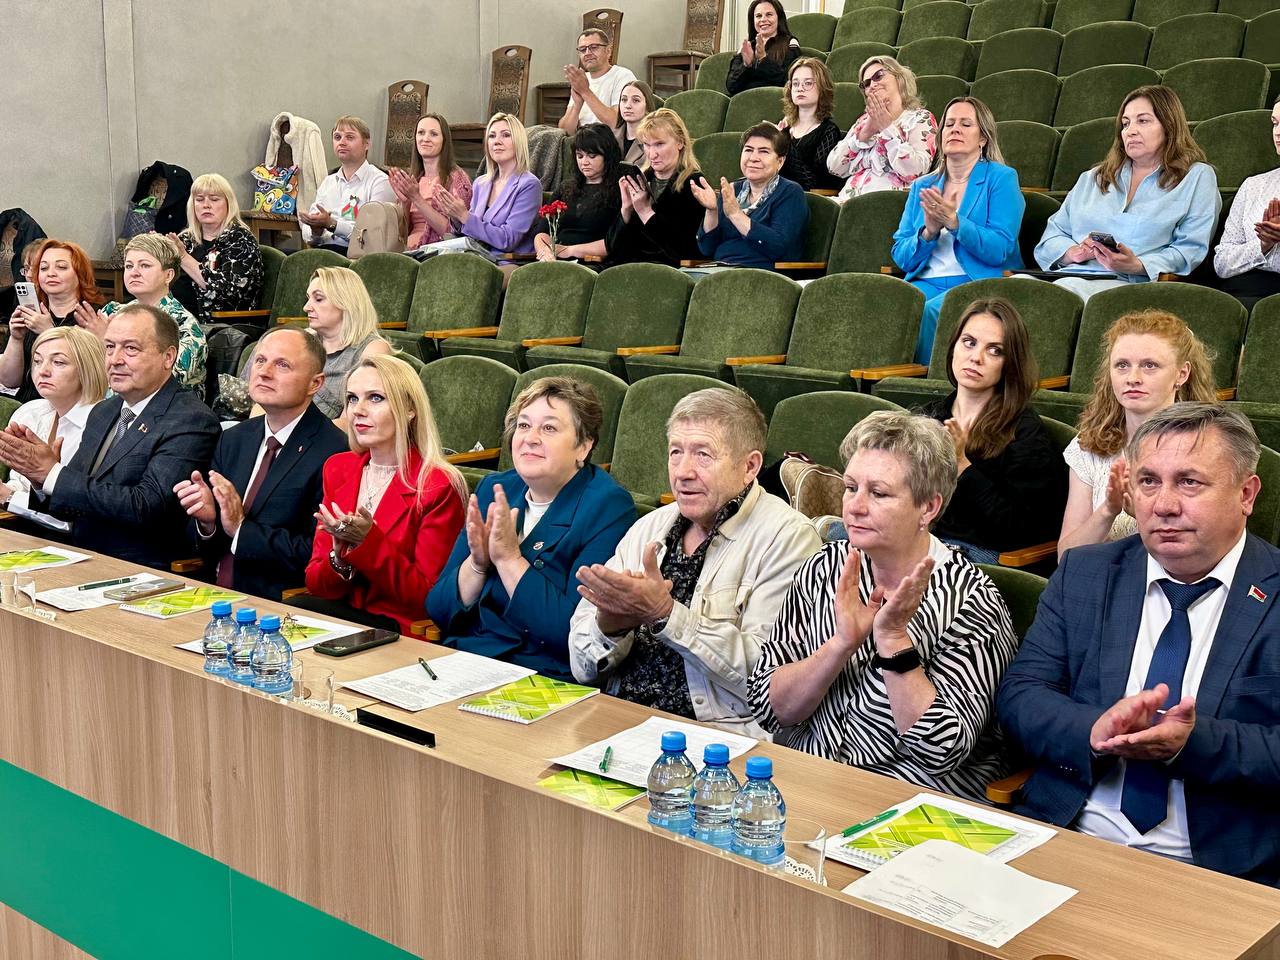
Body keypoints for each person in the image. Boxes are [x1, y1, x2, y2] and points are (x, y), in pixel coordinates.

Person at [999, 403, 1280, 886]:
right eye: (1148, 481)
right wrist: (1094, 730)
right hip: (1070, 836)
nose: (1163, 505)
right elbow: (1021, 696)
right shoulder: (1086, 573)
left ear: (1246, 494)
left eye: (1189, 482)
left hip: (1221, 871)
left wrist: (1192, 744)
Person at [748, 411, 1017, 801]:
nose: (855, 506)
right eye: (850, 487)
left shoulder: (971, 600)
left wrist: (893, 641)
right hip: (813, 778)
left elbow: (941, 752)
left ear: (928, 508)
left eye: (878, 493)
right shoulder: (823, 568)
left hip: (913, 798)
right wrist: (839, 646)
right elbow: (769, 708)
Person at [569, 387, 821, 737]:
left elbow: (770, 680)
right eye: (676, 452)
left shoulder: (789, 538)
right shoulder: (649, 528)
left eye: (703, 454)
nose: (683, 472)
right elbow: (581, 666)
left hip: (715, 737)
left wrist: (666, 615)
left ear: (750, 466)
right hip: (621, 719)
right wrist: (610, 627)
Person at [429, 378, 636, 678]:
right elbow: (437, 610)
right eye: (524, 425)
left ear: (584, 446)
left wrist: (509, 560)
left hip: (542, 675)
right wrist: (477, 564)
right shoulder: (495, 488)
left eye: (549, 428)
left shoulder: (608, 506)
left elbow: (574, 637)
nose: (530, 438)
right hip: (467, 661)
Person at [0, 304, 220, 569]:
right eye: (109, 347)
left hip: (141, 569)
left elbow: (146, 506)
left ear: (168, 357)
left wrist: (52, 474)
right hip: (75, 556)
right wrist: (40, 479)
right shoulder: (105, 411)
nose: (115, 359)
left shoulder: (190, 419)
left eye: (131, 349)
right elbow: (73, 502)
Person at [174, 327, 348, 600]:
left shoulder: (334, 451)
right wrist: (208, 523)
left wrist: (241, 529)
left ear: (315, 383)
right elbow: (203, 545)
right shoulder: (234, 438)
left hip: (277, 603)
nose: (264, 372)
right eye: (260, 360)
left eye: (282, 364)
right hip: (209, 593)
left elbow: (316, 552)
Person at [299, 355, 466, 634]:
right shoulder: (338, 468)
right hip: (341, 617)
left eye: (375, 398)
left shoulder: (438, 485)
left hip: (399, 629)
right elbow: (316, 584)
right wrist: (338, 558)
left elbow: (428, 599)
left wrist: (367, 543)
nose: (358, 410)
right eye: (352, 398)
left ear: (410, 409)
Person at [1035, 85, 1220, 302]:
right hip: (1069, 275)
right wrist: (1072, 253)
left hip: (1131, 285)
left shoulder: (1197, 176)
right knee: (1013, 286)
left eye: (1143, 121)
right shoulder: (1093, 177)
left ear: (1169, 126)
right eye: (1125, 123)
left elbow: (1190, 249)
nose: (1130, 131)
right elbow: (1052, 236)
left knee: (1061, 294)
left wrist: (1138, 265)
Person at [1058, 310, 1216, 557]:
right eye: (1122, 365)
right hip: (1101, 575)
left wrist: (1142, 515)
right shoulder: (1088, 446)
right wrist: (1108, 511)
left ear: (1182, 374)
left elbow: (1209, 551)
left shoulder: (1209, 445)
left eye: (1149, 365)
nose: (1133, 378)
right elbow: (1066, 558)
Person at [919, 299, 1067, 563]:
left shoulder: (1027, 433)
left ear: (1010, 363)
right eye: (969, 342)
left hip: (979, 555)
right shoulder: (930, 416)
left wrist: (962, 465)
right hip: (921, 538)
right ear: (953, 347)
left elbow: (1019, 530)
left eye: (995, 350)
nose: (976, 357)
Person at [892, 97, 1024, 364]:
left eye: (965, 124)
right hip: (925, 281)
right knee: (890, 307)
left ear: (983, 138)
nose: (955, 130)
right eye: (949, 124)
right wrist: (928, 233)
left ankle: (925, 384)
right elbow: (901, 255)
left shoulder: (1001, 178)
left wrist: (955, 223)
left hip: (977, 280)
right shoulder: (922, 185)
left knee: (931, 312)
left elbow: (1000, 248)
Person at [0, 327, 106, 534]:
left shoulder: (101, 425)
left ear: (87, 368)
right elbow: (17, 485)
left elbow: (73, 518)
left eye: (58, 362)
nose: (43, 371)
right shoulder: (30, 412)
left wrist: (9, 497)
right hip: (20, 531)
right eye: (37, 361)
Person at [691, 122, 809, 269]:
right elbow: (707, 248)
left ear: (780, 161)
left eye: (764, 151)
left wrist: (736, 214)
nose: (753, 158)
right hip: (719, 269)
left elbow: (778, 247)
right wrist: (712, 210)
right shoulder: (732, 190)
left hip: (760, 273)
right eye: (748, 150)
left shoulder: (790, 192)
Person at [0, 239, 104, 405]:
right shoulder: (30, 313)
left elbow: (90, 377)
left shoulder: (93, 316)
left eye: (61, 267)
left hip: (72, 407)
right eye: (43, 268)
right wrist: (16, 338)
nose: (51, 273)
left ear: (80, 273)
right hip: (28, 406)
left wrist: (48, 332)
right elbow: (9, 381)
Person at [99, 233, 207, 392]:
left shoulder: (184, 325)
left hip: (162, 405)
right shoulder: (113, 312)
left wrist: (102, 344)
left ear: (168, 275)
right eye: (129, 266)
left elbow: (162, 383)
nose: (134, 272)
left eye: (144, 265)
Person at [605, 109, 705, 266]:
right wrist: (626, 210)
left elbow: (682, 250)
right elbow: (612, 248)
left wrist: (645, 211)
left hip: (664, 271)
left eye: (659, 144)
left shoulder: (693, 183)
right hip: (627, 268)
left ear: (680, 142)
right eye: (647, 145)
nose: (652, 154)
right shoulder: (642, 179)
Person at [827, 56, 936, 201]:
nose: (872, 85)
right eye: (866, 83)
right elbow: (834, 168)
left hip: (888, 203)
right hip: (848, 200)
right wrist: (864, 134)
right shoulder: (863, 121)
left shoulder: (920, 118)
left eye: (878, 76)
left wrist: (887, 128)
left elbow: (915, 171)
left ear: (899, 78)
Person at [433, 113, 540, 258]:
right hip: (475, 257)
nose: (497, 141)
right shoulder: (480, 183)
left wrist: (465, 216)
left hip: (506, 261)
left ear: (519, 142)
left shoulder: (529, 185)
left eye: (506, 135)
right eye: (492, 136)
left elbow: (508, 240)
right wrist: (456, 216)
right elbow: (471, 230)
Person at [298, 266, 393, 420]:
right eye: (308, 298)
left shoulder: (373, 349)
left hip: (327, 434)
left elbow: (352, 421)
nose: (306, 307)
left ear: (346, 302)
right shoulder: (301, 341)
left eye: (319, 299)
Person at [169, 173, 264, 324]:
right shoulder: (186, 239)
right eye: (199, 199)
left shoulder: (241, 240)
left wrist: (183, 257)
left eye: (214, 199)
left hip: (220, 325)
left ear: (228, 204)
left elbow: (223, 292)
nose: (206, 205)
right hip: (174, 316)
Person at [1213, 96, 1280, 310]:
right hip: (1241, 294)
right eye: (1275, 123)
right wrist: (1263, 245)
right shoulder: (1253, 185)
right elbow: (1222, 263)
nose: (1277, 132)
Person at [298, 116, 396, 251]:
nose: (342, 142)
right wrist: (316, 230)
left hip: (357, 255)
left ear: (367, 144)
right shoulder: (328, 182)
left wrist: (333, 224)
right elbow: (307, 235)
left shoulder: (380, 182)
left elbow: (373, 237)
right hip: (323, 250)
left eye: (350, 137)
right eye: (337, 137)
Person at [532, 124, 627, 262]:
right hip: (555, 259)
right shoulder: (566, 187)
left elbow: (615, 242)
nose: (584, 162)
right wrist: (545, 251)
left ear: (607, 156)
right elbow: (542, 231)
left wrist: (569, 250)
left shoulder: (619, 190)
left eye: (592, 156)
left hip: (591, 262)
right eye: (580, 156)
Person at [388, 114, 473, 251]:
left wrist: (416, 198)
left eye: (433, 134)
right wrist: (405, 202)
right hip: (407, 250)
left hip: (436, 252)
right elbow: (401, 234)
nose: (425, 139)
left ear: (444, 140)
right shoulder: (413, 178)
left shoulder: (457, 179)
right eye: (421, 133)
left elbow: (453, 234)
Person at [778, 57, 842, 193]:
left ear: (822, 87)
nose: (800, 88)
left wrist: (785, 142)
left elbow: (813, 182)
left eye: (808, 83)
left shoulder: (829, 131)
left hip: (808, 199)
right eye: (795, 84)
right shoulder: (784, 130)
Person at [558, 28, 637, 133]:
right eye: (582, 49)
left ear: (608, 51)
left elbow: (616, 124)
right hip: (581, 139)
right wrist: (577, 106)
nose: (587, 53)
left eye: (593, 47)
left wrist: (585, 92)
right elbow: (565, 132)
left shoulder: (623, 76)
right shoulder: (581, 79)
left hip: (607, 140)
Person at [727, 0, 801, 95]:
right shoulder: (747, 47)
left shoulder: (790, 43)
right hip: (743, 100)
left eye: (769, 14)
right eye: (758, 16)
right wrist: (746, 65)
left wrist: (763, 58)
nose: (763, 19)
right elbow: (731, 87)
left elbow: (787, 81)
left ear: (779, 18)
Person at [613, 80, 658, 166]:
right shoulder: (611, 136)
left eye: (636, 100)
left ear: (647, 105)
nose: (627, 106)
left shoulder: (654, 140)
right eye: (624, 100)